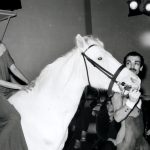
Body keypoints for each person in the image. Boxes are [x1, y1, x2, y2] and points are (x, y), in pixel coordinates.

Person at [111, 51, 150, 150]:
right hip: (126, 145)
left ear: (141, 68)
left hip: (141, 143)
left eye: (136, 63)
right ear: (124, 67)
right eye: (128, 63)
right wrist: (131, 102)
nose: (132, 66)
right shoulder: (118, 92)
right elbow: (117, 118)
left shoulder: (137, 90)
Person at [0, 41, 30, 150]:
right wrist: (19, 86)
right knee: (14, 118)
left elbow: (13, 69)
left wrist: (28, 83)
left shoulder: (2, 47)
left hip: (8, 90)